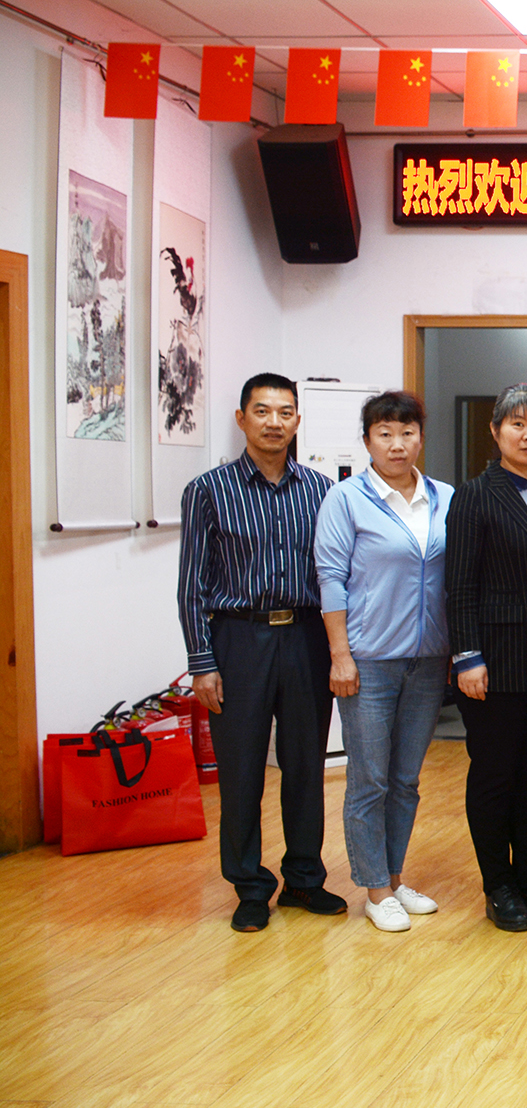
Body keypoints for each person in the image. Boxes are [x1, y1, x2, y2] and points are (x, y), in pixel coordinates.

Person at [179, 373, 341, 932]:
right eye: (263, 411)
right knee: (242, 769)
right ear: (242, 419)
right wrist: (202, 661)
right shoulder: (208, 490)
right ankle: (249, 886)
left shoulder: (321, 490)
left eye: (285, 412)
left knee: (305, 764)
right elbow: (191, 586)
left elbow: (336, 574)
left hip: (306, 637)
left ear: (297, 420)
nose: (274, 422)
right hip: (238, 639)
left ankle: (304, 879)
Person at [314, 390, 454, 933]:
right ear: (368, 440)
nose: (397, 444)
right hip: (367, 662)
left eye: (407, 433)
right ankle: (373, 888)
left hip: (428, 661)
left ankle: (394, 879)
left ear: (421, 437)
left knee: (406, 779)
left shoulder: (443, 497)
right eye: (385, 434)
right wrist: (340, 655)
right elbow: (331, 579)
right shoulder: (346, 499)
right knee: (369, 779)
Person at [446, 384, 527, 933]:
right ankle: (498, 885)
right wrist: (466, 656)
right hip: (494, 663)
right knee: (495, 776)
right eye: (517, 424)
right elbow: (459, 585)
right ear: (496, 431)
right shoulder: (475, 495)